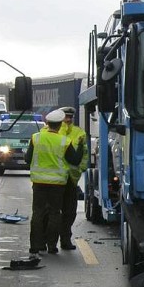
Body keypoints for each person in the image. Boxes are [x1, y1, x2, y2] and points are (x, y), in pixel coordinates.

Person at [24, 109, 84, 255]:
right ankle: (52, 246)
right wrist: (81, 147)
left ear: (47, 123)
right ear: (59, 125)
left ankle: (35, 246)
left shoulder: (36, 137)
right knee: (54, 214)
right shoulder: (64, 141)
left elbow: (27, 159)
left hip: (38, 183)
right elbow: (74, 160)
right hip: (57, 184)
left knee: (37, 213)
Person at [58, 106, 87, 250]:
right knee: (51, 212)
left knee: (70, 212)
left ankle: (65, 239)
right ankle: (48, 241)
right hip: (55, 179)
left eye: (70, 117)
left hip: (71, 179)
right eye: (66, 117)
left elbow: (85, 153)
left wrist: (81, 169)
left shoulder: (79, 133)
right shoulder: (54, 131)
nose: (68, 120)